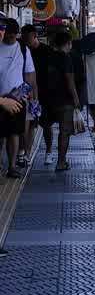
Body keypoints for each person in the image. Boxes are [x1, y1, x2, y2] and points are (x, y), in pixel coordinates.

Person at [0, 19, 35, 178]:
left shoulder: (23, 49)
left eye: (13, 37)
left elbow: (29, 74)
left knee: (13, 134)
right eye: (7, 36)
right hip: (0, 97)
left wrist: (33, 97)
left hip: (18, 98)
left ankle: (12, 166)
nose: (9, 39)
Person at [38, 31, 77, 171]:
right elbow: (69, 80)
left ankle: (48, 152)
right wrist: (76, 99)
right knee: (64, 131)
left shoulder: (48, 57)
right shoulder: (66, 58)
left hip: (47, 99)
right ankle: (61, 162)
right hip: (64, 100)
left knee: (47, 126)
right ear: (68, 43)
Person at [18, 25, 41, 167]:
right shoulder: (21, 49)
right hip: (18, 94)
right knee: (22, 127)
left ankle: (26, 153)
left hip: (27, 94)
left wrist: (35, 98)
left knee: (30, 125)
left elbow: (32, 77)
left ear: (34, 35)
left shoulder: (23, 50)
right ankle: (22, 153)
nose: (25, 41)